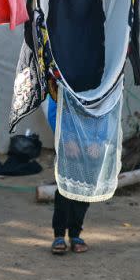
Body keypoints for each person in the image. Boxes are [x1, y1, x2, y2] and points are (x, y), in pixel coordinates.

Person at [47, 95, 91, 254]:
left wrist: (97, 140)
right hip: (68, 143)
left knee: (84, 191)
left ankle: (75, 234)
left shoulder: (98, 78)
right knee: (65, 189)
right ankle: (59, 235)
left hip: (90, 144)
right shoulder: (63, 76)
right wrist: (66, 139)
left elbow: (104, 111)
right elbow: (53, 112)